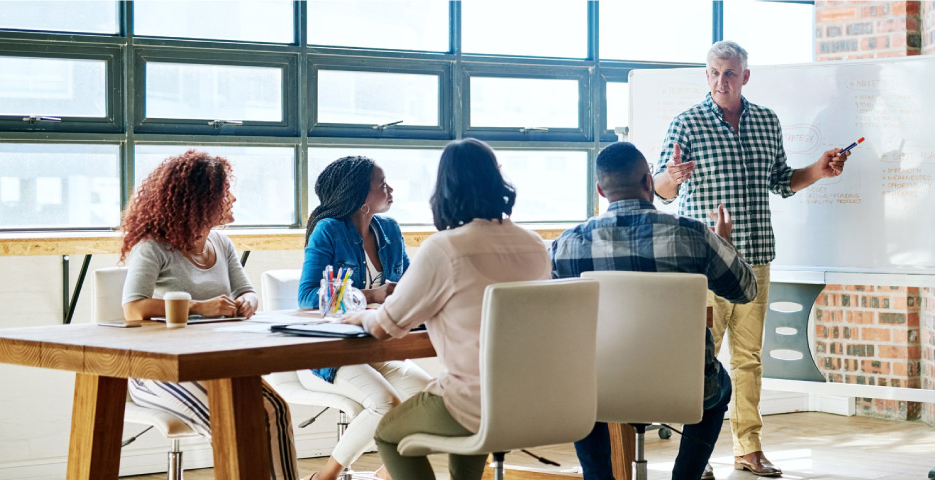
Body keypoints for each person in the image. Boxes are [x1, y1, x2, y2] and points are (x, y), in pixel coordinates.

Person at [652, 40, 851, 477]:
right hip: (704, 263)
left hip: (756, 257)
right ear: (706, 76)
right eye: (713, 73)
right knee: (696, 361)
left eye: (729, 73)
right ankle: (696, 455)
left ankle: (749, 448)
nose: (721, 81)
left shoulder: (765, 121)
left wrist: (819, 170)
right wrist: (670, 177)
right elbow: (660, 192)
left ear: (745, 76)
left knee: (749, 360)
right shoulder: (686, 123)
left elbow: (782, 181)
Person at [339, 139, 552, 480]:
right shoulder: (535, 244)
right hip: (544, 400)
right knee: (469, 430)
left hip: (476, 402)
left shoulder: (445, 248)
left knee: (389, 435)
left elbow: (384, 327)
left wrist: (360, 314)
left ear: (445, 190)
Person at [551, 142, 756, 480]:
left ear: (601, 190)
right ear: (649, 181)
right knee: (719, 389)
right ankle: (685, 476)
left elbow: (549, 317)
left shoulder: (567, 245)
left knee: (577, 385)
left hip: (598, 388)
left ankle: (598, 476)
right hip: (685, 386)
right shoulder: (694, 236)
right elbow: (746, 290)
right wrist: (726, 244)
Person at [119, 150, 299, 480]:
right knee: (232, 420)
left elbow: (247, 291)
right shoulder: (153, 246)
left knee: (275, 409)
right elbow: (133, 308)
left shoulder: (222, 243)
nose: (232, 197)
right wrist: (199, 307)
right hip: (159, 370)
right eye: (223, 192)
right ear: (200, 200)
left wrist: (247, 302)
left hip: (215, 364)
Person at [297, 156, 432, 480]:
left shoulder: (389, 229)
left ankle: (384, 477)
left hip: (380, 348)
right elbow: (306, 296)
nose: (390, 189)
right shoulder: (329, 230)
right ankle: (324, 477)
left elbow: (410, 287)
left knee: (431, 398)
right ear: (360, 196)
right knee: (386, 401)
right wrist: (371, 296)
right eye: (381, 184)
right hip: (330, 353)